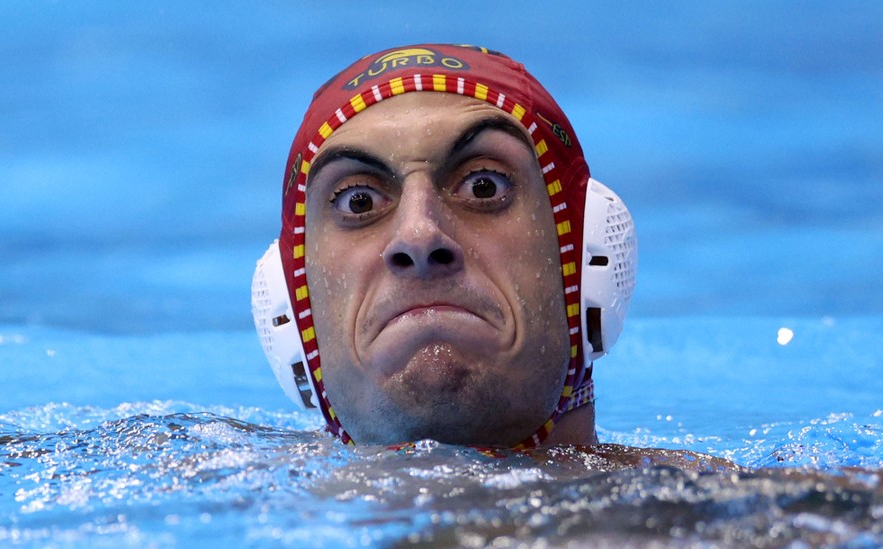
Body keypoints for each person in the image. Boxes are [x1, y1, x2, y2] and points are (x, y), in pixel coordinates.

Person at [251, 44, 637, 450]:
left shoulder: (697, 506)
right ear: (294, 304)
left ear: (584, 258)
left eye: (483, 186)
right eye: (358, 201)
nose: (419, 236)